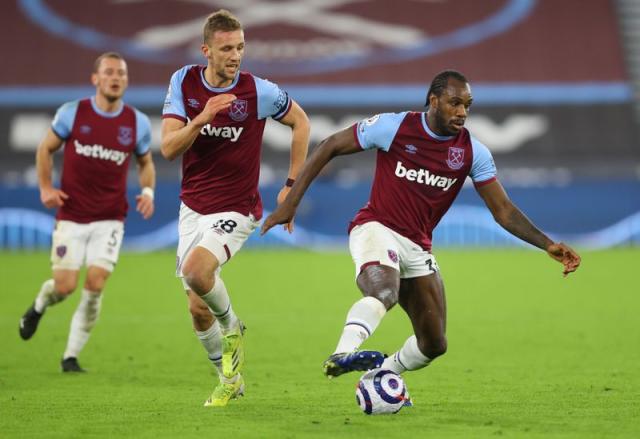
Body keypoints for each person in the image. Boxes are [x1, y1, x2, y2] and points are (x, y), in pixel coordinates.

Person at [262, 70, 581, 396]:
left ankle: (381, 374)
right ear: (434, 100)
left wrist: (546, 244)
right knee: (383, 292)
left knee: (433, 344)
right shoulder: (395, 127)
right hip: (376, 228)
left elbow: (503, 211)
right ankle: (341, 354)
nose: (462, 112)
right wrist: (291, 201)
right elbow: (330, 145)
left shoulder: (472, 152)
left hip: (417, 247)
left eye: (467, 105)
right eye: (455, 103)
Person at [160, 10, 310, 407]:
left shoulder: (257, 91)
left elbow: (302, 123)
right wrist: (202, 119)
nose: (236, 55)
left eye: (240, 47)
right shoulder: (184, 82)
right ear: (205, 50)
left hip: (238, 208)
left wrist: (291, 187)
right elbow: (169, 147)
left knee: (196, 271)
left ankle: (232, 328)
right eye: (227, 48)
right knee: (196, 308)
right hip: (192, 208)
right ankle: (230, 378)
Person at [18, 52, 156, 373]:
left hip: (110, 217)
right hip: (72, 215)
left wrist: (147, 191)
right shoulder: (73, 113)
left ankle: (70, 356)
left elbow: (145, 162)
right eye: (108, 72)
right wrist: (45, 188)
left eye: (121, 73)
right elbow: (45, 149)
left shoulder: (137, 122)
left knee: (95, 283)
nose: (116, 77)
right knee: (64, 287)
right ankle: (39, 305)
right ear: (95, 79)